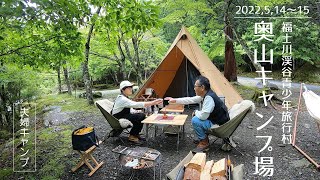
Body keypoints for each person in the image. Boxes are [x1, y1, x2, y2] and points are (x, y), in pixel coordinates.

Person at [165, 76, 229, 152]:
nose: (194, 88)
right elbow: (190, 99)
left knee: (195, 120)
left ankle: (204, 142)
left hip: (220, 125)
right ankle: (203, 138)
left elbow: (203, 117)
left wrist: (196, 112)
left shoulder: (209, 98)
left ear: (202, 87)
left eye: (195, 86)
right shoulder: (206, 94)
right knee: (197, 117)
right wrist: (174, 100)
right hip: (218, 120)